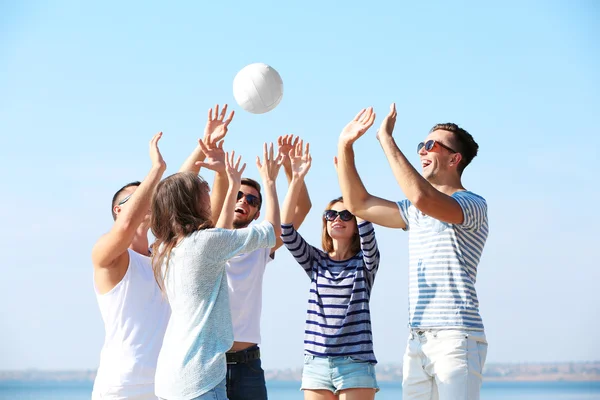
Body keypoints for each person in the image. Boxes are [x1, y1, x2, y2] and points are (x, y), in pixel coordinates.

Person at [336, 105, 489, 400]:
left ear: (454, 159)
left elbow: (421, 196)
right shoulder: (414, 212)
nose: (422, 151)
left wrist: (386, 139)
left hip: (456, 337)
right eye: (421, 144)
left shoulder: (472, 204)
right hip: (418, 340)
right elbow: (358, 204)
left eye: (431, 145)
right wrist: (345, 146)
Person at [179, 107, 312, 400]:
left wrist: (291, 170)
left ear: (257, 214)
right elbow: (177, 192)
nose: (244, 201)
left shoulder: (260, 245)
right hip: (206, 362)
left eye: (252, 200)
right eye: (237, 193)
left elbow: (301, 209)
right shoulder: (202, 242)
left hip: (249, 365)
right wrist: (209, 144)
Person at [151, 143, 283, 400]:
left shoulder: (166, 248)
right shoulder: (205, 243)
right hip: (201, 379)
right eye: (205, 191)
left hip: (170, 378)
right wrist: (269, 181)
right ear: (192, 201)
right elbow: (274, 232)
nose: (211, 196)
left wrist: (232, 184)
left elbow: (214, 232)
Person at [280, 142, 381, 400]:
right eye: (331, 215)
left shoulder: (364, 263)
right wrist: (296, 178)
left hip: (355, 362)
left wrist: (346, 175)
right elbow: (286, 231)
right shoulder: (316, 261)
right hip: (317, 364)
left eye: (346, 215)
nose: (337, 219)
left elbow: (367, 225)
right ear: (325, 223)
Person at [91, 132, 171, 400]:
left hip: (164, 388)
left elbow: (184, 194)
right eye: (141, 197)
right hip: (120, 389)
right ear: (118, 209)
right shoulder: (108, 254)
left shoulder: (162, 257)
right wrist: (157, 169)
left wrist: (203, 145)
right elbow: (125, 227)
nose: (150, 200)